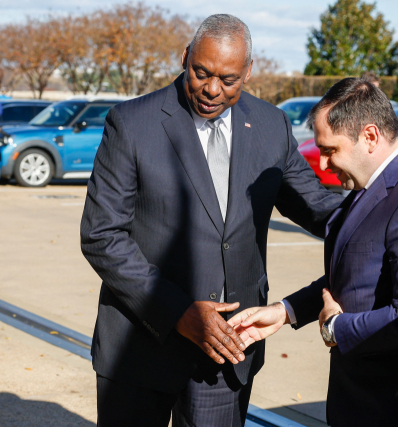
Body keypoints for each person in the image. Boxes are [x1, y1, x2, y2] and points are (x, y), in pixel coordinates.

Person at [80, 14, 342, 427]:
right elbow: (101, 235)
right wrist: (177, 311)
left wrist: (384, 210)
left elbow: (316, 206)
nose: (212, 90)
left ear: (248, 72)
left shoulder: (271, 126)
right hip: (140, 349)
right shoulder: (131, 124)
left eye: (228, 79)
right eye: (201, 73)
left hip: (227, 353)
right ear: (185, 57)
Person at [229, 78, 398, 426]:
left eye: (331, 150)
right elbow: (358, 273)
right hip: (361, 402)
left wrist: (336, 329)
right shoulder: (372, 182)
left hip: (396, 408)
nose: (324, 165)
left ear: (369, 137)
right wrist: (285, 312)